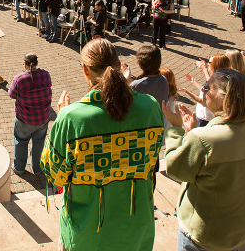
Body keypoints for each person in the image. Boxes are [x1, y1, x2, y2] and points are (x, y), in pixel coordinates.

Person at [40, 38, 164, 251]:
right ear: (118, 65)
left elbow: (55, 174)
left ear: (85, 70)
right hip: (136, 232)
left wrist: (61, 117)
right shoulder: (150, 108)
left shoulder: (72, 118)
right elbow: (151, 162)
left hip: (88, 235)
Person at [162, 68, 245, 251]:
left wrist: (176, 130)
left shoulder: (203, 139)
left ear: (227, 99)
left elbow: (175, 169)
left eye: (208, 87)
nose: (203, 90)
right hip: (240, 228)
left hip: (207, 232)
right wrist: (195, 133)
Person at [9, 54, 52, 175]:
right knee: (39, 142)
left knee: (21, 142)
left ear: (25, 64)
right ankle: (37, 168)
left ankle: (19, 168)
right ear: (37, 63)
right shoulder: (45, 74)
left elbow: (11, 94)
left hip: (24, 119)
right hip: (43, 117)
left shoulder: (20, 78)